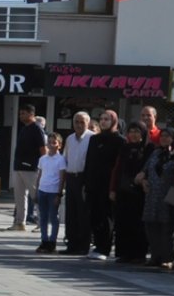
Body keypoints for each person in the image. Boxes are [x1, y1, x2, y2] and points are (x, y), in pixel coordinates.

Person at [85, 110, 124, 260]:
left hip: (108, 185)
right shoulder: (94, 139)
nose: (103, 122)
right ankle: (97, 245)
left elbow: (119, 166)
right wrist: (86, 182)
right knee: (94, 215)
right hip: (93, 184)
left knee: (106, 217)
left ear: (113, 121)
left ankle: (104, 248)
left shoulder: (120, 140)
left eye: (107, 119)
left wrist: (115, 187)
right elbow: (89, 161)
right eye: (101, 119)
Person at [141, 127, 174, 269]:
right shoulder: (156, 153)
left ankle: (168, 258)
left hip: (170, 195)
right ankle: (155, 256)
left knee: (168, 227)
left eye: (167, 136)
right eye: (162, 136)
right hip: (153, 195)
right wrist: (144, 180)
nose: (164, 138)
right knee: (152, 226)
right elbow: (145, 170)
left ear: (173, 138)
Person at [111, 121, 151, 264]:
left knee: (138, 224)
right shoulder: (125, 148)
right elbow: (117, 170)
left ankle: (138, 254)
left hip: (139, 192)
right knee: (123, 222)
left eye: (137, 132)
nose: (133, 135)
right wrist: (113, 189)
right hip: (124, 191)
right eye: (131, 131)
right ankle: (124, 253)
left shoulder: (148, 149)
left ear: (143, 133)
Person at [61, 111, 94, 255]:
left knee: (83, 213)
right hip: (71, 177)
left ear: (88, 123)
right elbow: (65, 159)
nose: (79, 125)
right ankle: (71, 244)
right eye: (76, 122)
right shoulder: (69, 139)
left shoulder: (92, 138)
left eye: (82, 122)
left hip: (84, 178)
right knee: (71, 212)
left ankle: (83, 246)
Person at [10, 104, 45, 231]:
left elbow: (43, 149)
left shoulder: (37, 128)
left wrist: (43, 167)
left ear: (31, 114)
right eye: (20, 113)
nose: (21, 116)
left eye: (23, 113)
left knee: (36, 196)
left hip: (31, 168)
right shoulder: (24, 128)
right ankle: (20, 222)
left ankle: (42, 223)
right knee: (19, 197)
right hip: (19, 166)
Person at [35, 132, 65, 253]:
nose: (51, 145)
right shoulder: (42, 159)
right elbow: (39, 175)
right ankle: (44, 240)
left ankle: (52, 242)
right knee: (43, 217)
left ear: (59, 145)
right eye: (49, 142)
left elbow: (62, 178)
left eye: (54, 142)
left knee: (53, 217)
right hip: (42, 190)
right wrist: (36, 190)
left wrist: (59, 194)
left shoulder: (61, 160)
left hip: (53, 191)